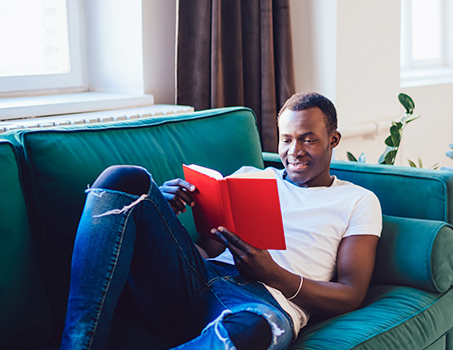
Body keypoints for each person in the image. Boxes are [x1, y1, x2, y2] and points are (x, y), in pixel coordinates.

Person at [61, 92, 383, 350]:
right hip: (198, 279)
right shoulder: (247, 178)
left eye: (308, 139)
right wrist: (161, 212)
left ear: (334, 139)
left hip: (260, 303)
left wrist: (273, 274)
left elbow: (351, 293)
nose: (294, 151)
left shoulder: (357, 201)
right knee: (125, 179)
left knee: (259, 328)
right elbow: (204, 254)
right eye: (286, 139)